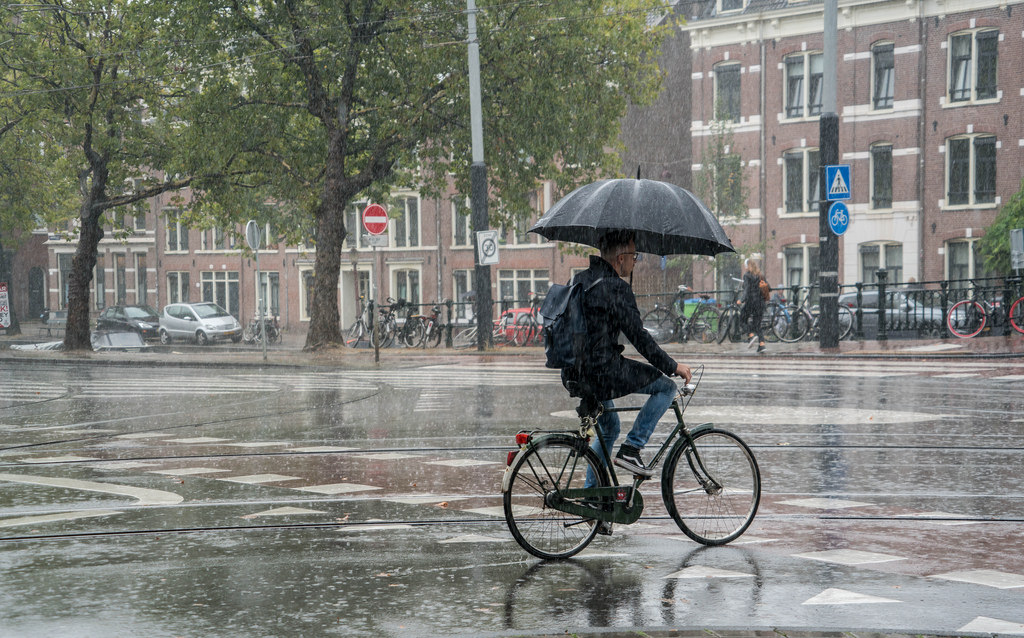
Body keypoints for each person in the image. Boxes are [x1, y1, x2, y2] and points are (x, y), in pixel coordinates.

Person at [562, 230, 693, 495]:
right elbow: (640, 338)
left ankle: (592, 497)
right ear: (621, 258)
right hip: (603, 371)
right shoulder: (616, 288)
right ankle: (632, 449)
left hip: (576, 370)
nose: (637, 261)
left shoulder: (579, 279)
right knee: (666, 388)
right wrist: (672, 366)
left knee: (609, 427)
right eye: (635, 256)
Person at [738, 258, 766, 353]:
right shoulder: (760, 275)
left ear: (747, 266)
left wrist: (741, 300)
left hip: (751, 303)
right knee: (757, 324)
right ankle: (762, 344)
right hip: (761, 303)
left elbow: (747, 290)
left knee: (742, 319)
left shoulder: (747, 275)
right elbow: (768, 287)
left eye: (745, 265)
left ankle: (751, 335)